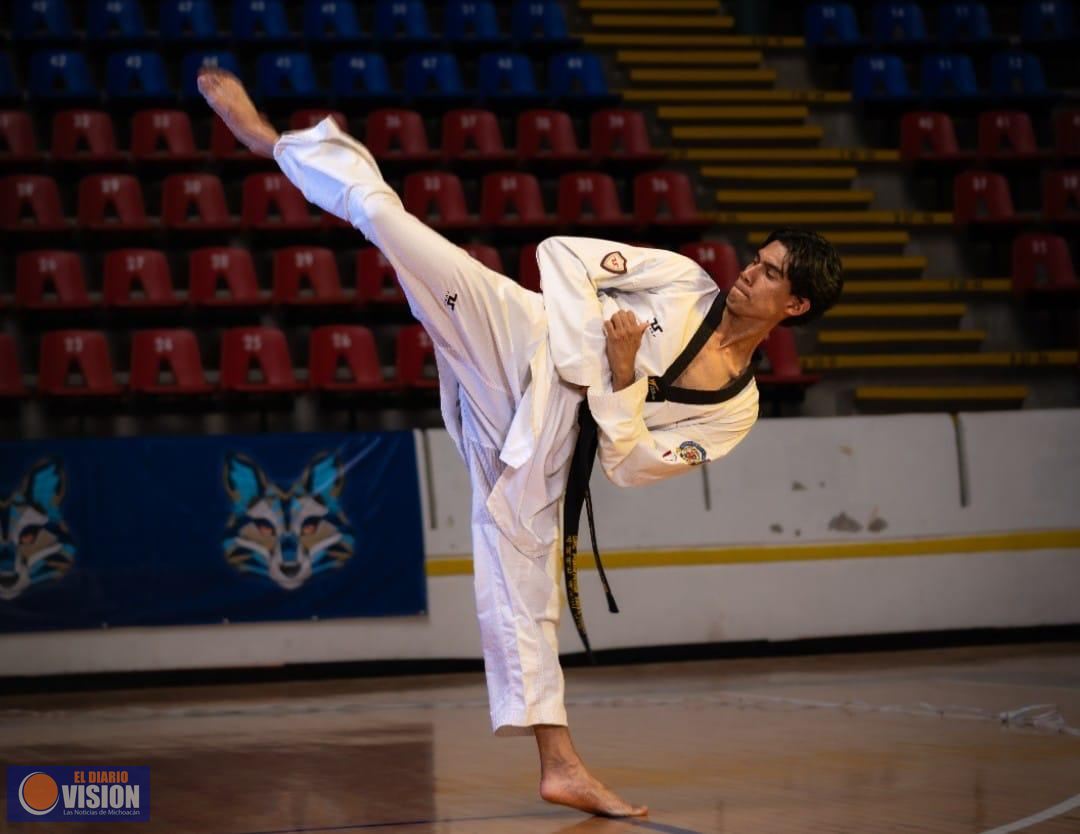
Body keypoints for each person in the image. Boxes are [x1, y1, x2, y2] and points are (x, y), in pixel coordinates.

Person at [197, 68, 843, 818]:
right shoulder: (684, 282)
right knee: (390, 221)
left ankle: (560, 765)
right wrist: (592, 365)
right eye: (755, 260)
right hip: (518, 338)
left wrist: (623, 380)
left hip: (547, 448)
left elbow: (631, 467)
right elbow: (562, 253)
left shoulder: (735, 410)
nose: (747, 276)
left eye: (768, 276)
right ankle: (273, 141)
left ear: (793, 306)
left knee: (527, 594)